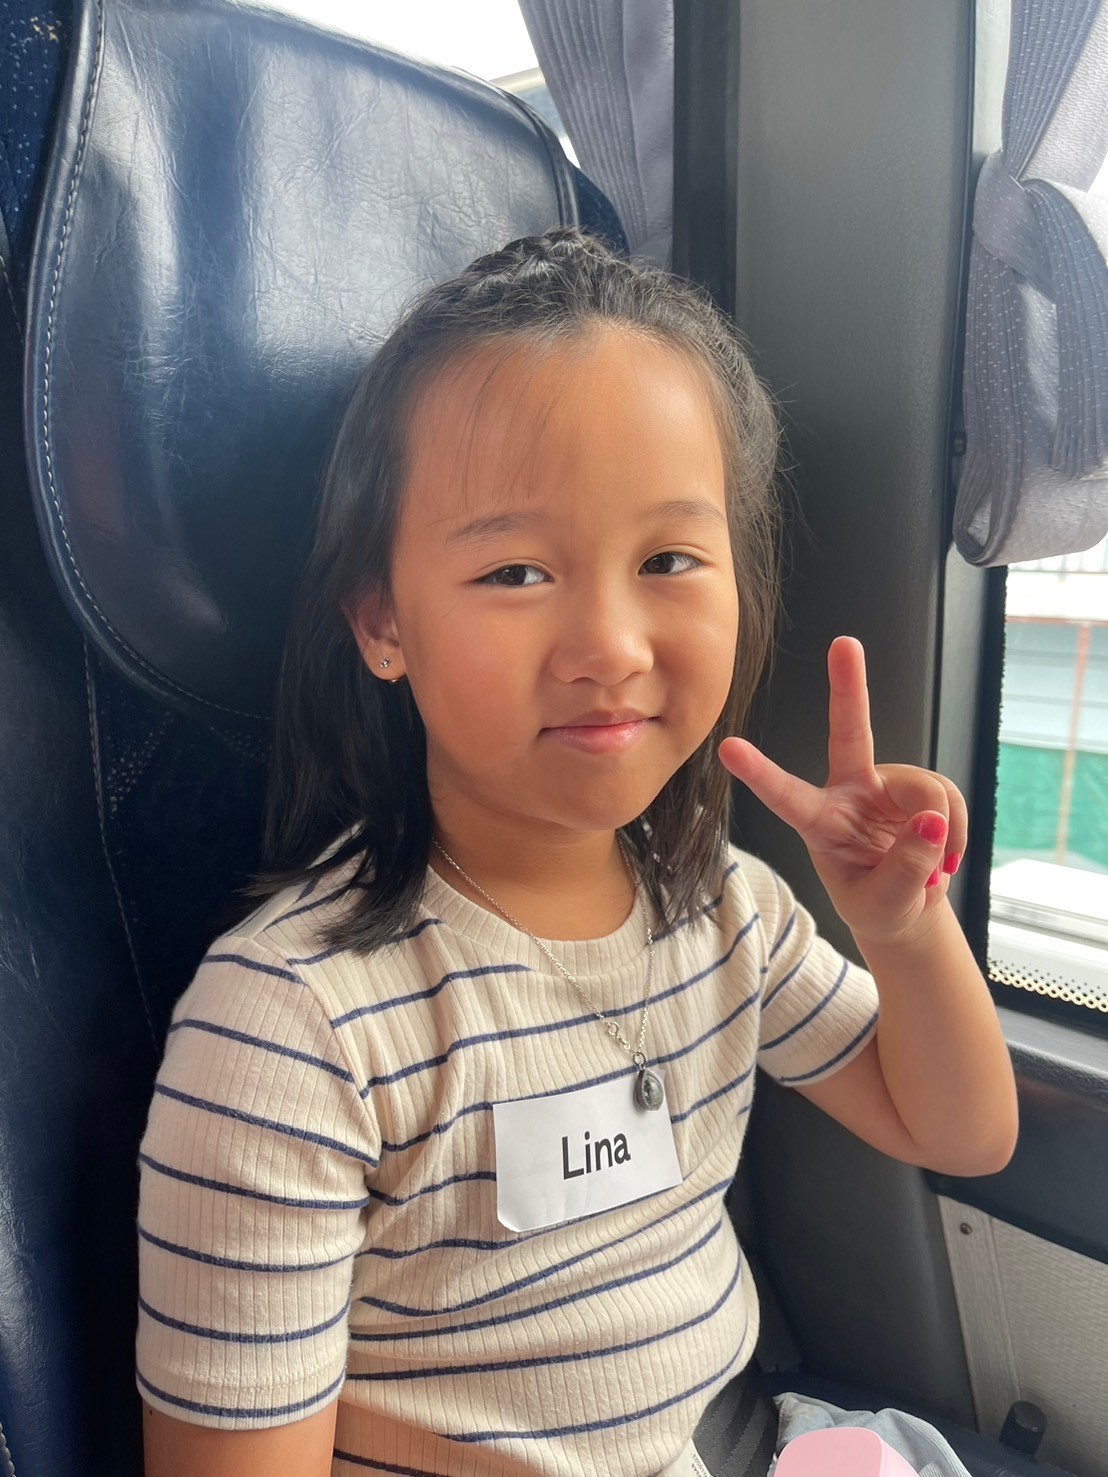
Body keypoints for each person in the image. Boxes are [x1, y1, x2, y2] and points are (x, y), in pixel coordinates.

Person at [136, 229, 1018, 1477]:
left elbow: (962, 1131)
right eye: (514, 570)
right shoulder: (294, 1027)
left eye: (667, 559)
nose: (608, 643)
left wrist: (903, 928)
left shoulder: (722, 910)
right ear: (383, 621)